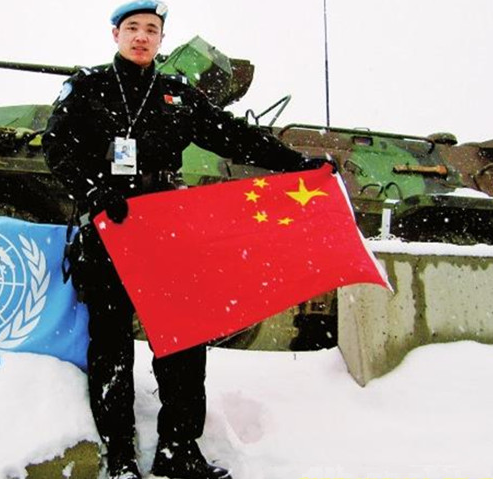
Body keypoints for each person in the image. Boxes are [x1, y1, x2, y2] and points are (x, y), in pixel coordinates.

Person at [43, 2, 322, 478]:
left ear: (161, 39)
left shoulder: (176, 93)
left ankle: (178, 448)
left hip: (164, 228)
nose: (141, 37)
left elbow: (233, 136)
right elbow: (57, 147)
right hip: (110, 225)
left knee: (183, 340)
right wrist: (93, 191)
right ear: (116, 35)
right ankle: (121, 453)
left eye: (151, 30)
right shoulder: (88, 86)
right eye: (133, 28)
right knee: (111, 343)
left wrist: (298, 164)